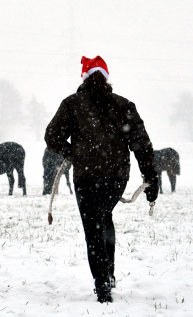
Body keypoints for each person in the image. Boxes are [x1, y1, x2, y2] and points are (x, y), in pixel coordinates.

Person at [44, 56, 159, 303]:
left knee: (93, 227)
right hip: (117, 178)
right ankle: (109, 273)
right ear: (106, 78)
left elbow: (51, 136)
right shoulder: (124, 105)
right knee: (104, 217)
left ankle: (102, 285)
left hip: (86, 178)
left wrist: (71, 152)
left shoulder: (72, 104)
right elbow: (141, 144)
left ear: (84, 78)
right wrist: (151, 177)